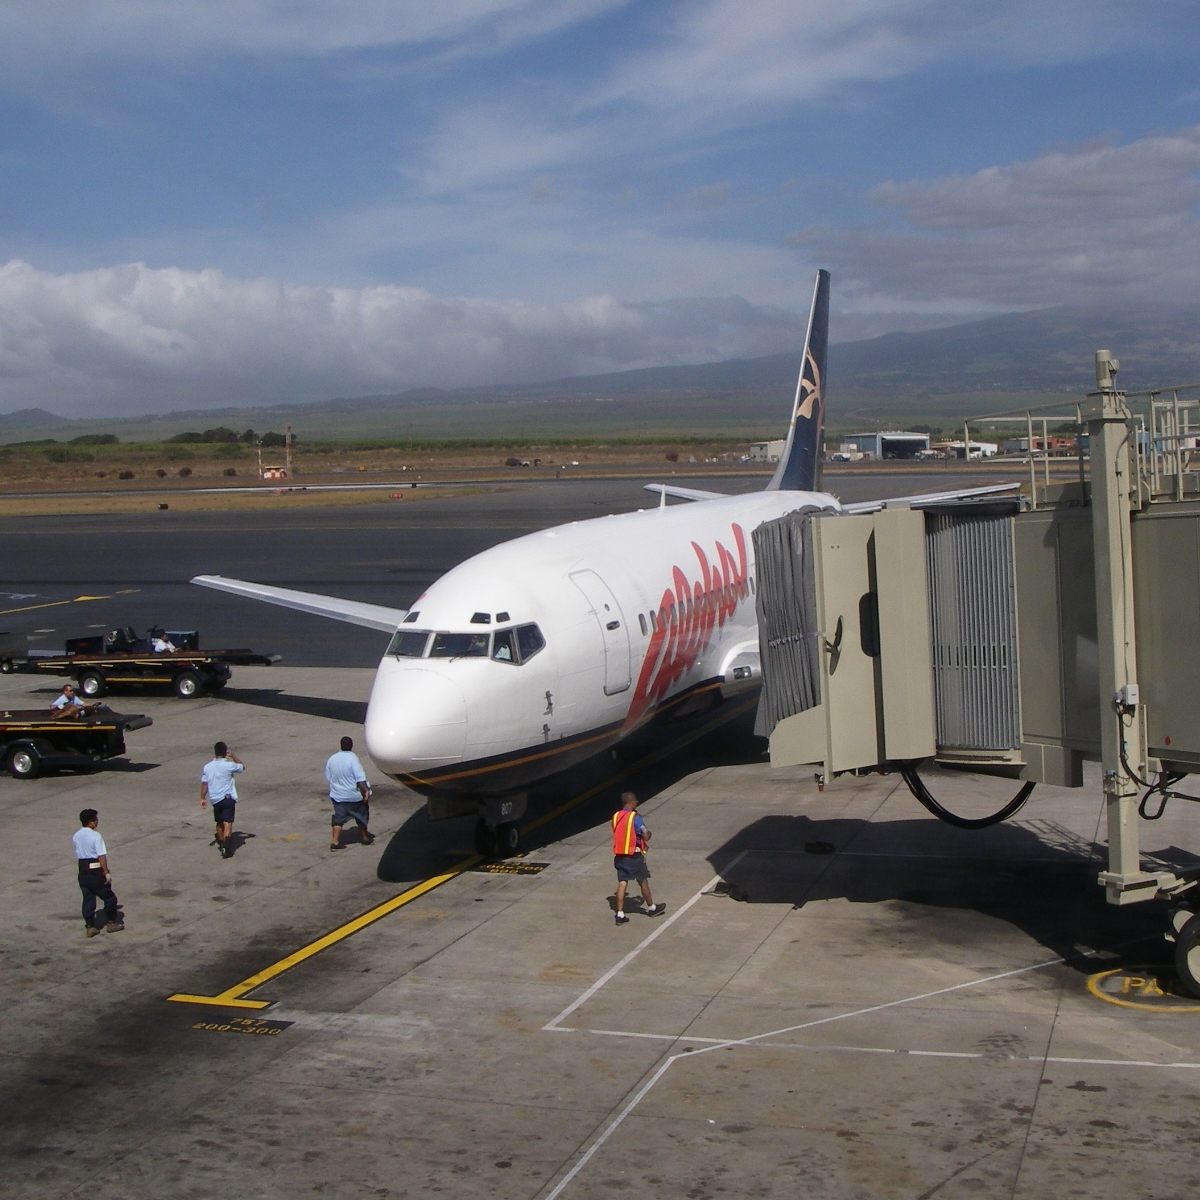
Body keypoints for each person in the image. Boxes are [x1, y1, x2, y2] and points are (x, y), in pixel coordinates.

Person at [612, 791, 664, 925]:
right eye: (635, 801)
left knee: (622, 883)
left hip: (619, 855)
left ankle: (620, 913)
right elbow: (645, 835)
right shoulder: (635, 818)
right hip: (633, 856)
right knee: (643, 880)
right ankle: (652, 908)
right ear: (630, 802)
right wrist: (648, 833)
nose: (636, 803)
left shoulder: (616, 816)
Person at [73, 809, 123, 936]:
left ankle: (90, 927)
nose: (97, 821)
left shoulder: (76, 835)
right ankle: (111, 923)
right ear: (91, 822)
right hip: (95, 869)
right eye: (96, 819)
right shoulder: (96, 836)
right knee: (109, 897)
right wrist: (106, 872)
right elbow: (101, 856)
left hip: (82, 869)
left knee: (88, 897)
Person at [325, 735, 373, 851]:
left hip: (338, 797)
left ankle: (335, 841)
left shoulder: (332, 759)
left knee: (338, 819)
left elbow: (328, 776)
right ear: (351, 746)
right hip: (354, 797)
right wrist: (366, 791)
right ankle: (364, 837)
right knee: (361, 817)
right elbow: (360, 779)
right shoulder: (353, 759)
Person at [200, 741, 244, 858]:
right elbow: (242, 767)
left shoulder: (207, 767)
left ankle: (220, 839)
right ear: (225, 752)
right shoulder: (229, 765)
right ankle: (226, 848)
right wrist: (233, 756)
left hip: (215, 799)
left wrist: (202, 798)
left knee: (219, 822)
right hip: (228, 798)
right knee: (227, 823)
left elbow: (205, 784)